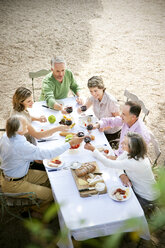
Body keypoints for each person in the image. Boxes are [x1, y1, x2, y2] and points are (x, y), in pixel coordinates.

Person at [0, 115, 83, 214]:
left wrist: (32, 159)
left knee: (50, 178)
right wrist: (70, 143)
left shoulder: (6, 136)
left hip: (15, 175)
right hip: (14, 184)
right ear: (18, 130)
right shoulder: (21, 145)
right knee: (50, 195)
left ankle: (39, 202)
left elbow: (13, 156)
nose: (28, 126)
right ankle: (35, 211)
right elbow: (49, 154)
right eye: (25, 125)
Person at [84, 132, 158, 208]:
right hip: (139, 188)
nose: (121, 143)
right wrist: (121, 174)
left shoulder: (134, 162)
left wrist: (93, 149)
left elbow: (109, 163)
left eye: (125, 143)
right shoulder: (131, 153)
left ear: (132, 148)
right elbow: (118, 161)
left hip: (146, 197)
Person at [77, 76, 121, 143]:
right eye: (91, 91)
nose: (93, 94)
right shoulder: (94, 97)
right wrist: (81, 109)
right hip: (100, 128)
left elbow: (119, 120)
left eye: (95, 90)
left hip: (111, 133)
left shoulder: (111, 101)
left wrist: (105, 127)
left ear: (102, 88)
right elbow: (86, 106)